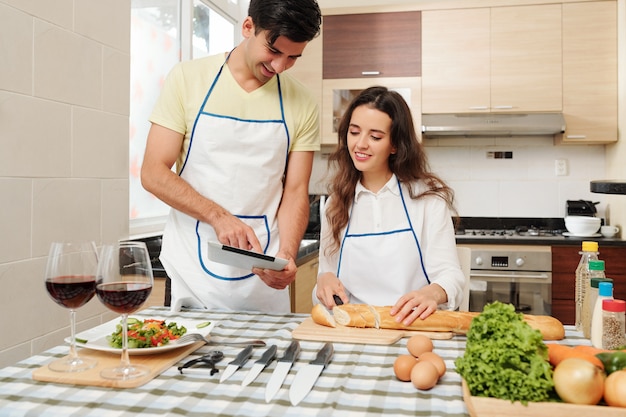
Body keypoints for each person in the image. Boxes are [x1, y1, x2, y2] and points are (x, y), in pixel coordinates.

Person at [140, 0, 322, 313]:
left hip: (262, 279)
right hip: (192, 272)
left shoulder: (302, 102)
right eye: (274, 51)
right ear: (248, 27)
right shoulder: (188, 79)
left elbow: (294, 191)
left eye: (293, 57)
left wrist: (288, 255)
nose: (279, 66)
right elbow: (153, 173)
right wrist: (219, 216)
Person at [314, 86, 465, 325]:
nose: (360, 144)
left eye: (375, 137)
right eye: (354, 132)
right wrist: (324, 280)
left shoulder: (426, 200)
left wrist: (431, 293)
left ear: (395, 145)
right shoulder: (335, 203)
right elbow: (327, 271)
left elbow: (451, 276)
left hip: (411, 325)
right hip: (354, 327)